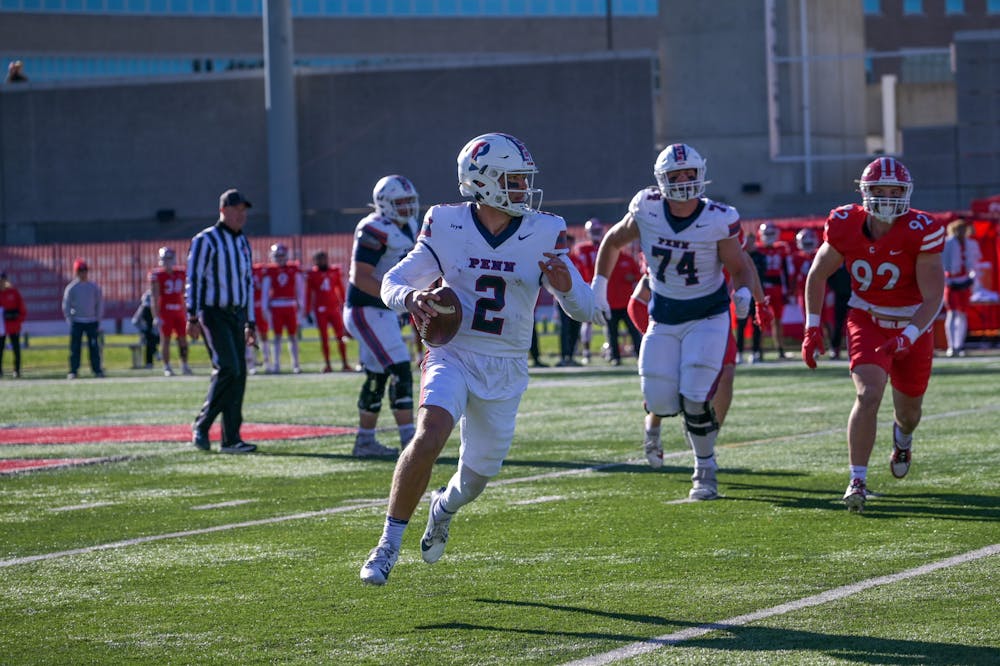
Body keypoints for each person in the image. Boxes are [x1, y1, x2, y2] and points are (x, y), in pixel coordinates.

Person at [359, 132, 598, 585]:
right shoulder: (445, 223)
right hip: (453, 352)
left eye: (524, 180)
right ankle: (388, 544)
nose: (523, 190)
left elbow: (586, 310)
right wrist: (411, 297)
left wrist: (566, 284)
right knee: (429, 436)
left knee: (476, 479)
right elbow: (392, 280)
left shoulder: (545, 229)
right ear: (482, 181)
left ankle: (443, 507)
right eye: (513, 180)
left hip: (506, 365)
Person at [592, 143, 770, 500]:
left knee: (694, 395)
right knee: (659, 398)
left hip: (708, 316)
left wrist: (746, 292)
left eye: (690, 174)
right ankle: (657, 428)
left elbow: (738, 266)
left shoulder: (718, 217)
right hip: (664, 315)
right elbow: (612, 241)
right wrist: (598, 287)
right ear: (661, 180)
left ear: (701, 175)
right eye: (676, 175)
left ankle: (704, 470)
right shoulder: (647, 207)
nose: (684, 181)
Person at [801, 157, 945, 512]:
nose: (886, 198)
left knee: (909, 411)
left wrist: (909, 335)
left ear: (906, 193)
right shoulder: (845, 223)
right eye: (878, 191)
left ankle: (904, 438)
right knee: (868, 395)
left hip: (913, 323)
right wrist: (811, 326)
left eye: (894, 191)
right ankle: (857, 479)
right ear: (864, 193)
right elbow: (817, 275)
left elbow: (933, 297)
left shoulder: (921, 229)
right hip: (867, 318)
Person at [344, 175, 420, 459]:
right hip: (366, 309)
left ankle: (364, 441)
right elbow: (361, 278)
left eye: (409, 201)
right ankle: (410, 440)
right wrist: (403, 299)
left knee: (377, 375)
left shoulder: (410, 225)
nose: (406, 207)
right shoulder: (373, 228)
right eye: (400, 202)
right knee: (400, 367)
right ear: (384, 203)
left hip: (384, 311)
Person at [186, 188, 258, 454]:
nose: (241, 215)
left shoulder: (242, 242)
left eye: (244, 210)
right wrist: (191, 315)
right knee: (228, 367)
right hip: (212, 312)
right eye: (236, 210)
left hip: (237, 314)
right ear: (223, 210)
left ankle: (231, 438)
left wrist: (251, 323)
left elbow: (248, 283)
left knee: (239, 374)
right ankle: (202, 425)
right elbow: (194, 279)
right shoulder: (206, 239)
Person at [261, 243, 304, 374]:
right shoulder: (270, 271)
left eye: (281, 256)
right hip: (276, 306)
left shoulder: (293, 269)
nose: (279, 259)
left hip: (290, 305)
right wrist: (264, 307)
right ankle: (276, 364)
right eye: (277, 256)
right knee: (277, 337)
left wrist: (301, 305)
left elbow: (300, 289)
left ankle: (296, 364)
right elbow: (265, 291)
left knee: (293, 336)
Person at [305, 250, 351, 373]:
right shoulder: (312, 274)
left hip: (334, 308)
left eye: (323, 259)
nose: (322, 262)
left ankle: (345, 363)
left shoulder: (334, 271)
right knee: (324, 338)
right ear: (315, 261)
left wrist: (345, 304)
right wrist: (307, 310)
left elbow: (340, 289)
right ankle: (328, 364)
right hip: (320, 310)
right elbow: (309, 294)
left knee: (340, 336)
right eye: (319, 259)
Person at [941, 219, 981, 357]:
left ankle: (959, 344)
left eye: (963, 229)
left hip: (965, 281)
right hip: (952, 282)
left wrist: (972, 280)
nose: (962, 232)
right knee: (952, 313)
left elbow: (975, 264)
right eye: (959, 229)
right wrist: (946, 281)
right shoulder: (948, 243)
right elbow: (942, 264)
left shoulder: (971, 244)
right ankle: (951, 346)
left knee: (963, 314)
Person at [150, 246, 192, 376]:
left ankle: (184, 364)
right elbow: (155, 297)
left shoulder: (181, 272)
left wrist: (188, 312)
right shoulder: (157, 275)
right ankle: (167, 366)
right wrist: (155, 316)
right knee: (165, 340)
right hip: (165, 311)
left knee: (183, 339)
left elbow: (186, 293)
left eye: (169, 259)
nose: (167, 262)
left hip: (179, 311)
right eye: (165, 259)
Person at [62, 259, 104, 379]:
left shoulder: (93, 287)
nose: (83, 273)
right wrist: (70, 319)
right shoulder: (71, 288)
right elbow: (66, 305)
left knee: (94, 347)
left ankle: (97, 370)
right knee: (75, 348)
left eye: (85, 270)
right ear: (76, 272)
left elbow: (99, 303)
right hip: (77, 322)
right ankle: (73, 370)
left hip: (91, 321)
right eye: (80, 270)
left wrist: (98, 319)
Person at [756, 221, 792, 359]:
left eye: (771, 233)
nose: (769, 236)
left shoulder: (781, 248)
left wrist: (787, 290)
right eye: (767, 234)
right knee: (762, 320)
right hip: (763, 288)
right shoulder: (758, 249)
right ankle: (758, 349)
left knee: (777, 320)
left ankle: (780, 349)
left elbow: (787, 270)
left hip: (777, 288)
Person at [603, 246, 643, 366]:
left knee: (634, 331)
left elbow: (640, 276)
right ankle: (615, 357)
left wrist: (633, 278)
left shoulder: (628, 259)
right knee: (612, 333)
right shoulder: (605, 260)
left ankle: (640, 355)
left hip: (626, 304)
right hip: (611, 304)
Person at [572, 218, 603, 363]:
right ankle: (586, 351)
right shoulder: (583, 248)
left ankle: (607, 349)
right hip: (591, 286)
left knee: (604, 320)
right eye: (594, 231)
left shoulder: (603, 246)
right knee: (588, 320)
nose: (596, 233)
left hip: (597, 287)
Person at [556, 233, 584, 366]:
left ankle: (571, 355)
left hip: (577, 298)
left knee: (575, 328)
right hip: (563, 298)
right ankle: (564, 356)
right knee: (564, 328)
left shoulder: (578, 260)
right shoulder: (559, 259)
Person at [0, 271, 27, 378]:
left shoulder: (14, 292)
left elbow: (22, 309)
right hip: (1, 328)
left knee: (16, 349)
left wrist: (18, 319)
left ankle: (17, 370)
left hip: (13, 326)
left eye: (3, 280)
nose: (2, 283)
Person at [247, 261, 272, 374]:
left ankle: (267, 362)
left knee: (264, 335)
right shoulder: (240, 270)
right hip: (248, 307)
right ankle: (251, 363)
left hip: (260, 306)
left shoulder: (260, 270)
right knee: (249, 336)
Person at [130, 289, 159, 370]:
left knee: (150, 338)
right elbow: (135, 321)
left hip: (157, 335)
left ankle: (151, 361)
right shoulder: (143, 309)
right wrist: (144, 330)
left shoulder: (158, 308)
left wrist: (155, 330)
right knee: (149, 338)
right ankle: (154, 355)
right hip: (147, 335)